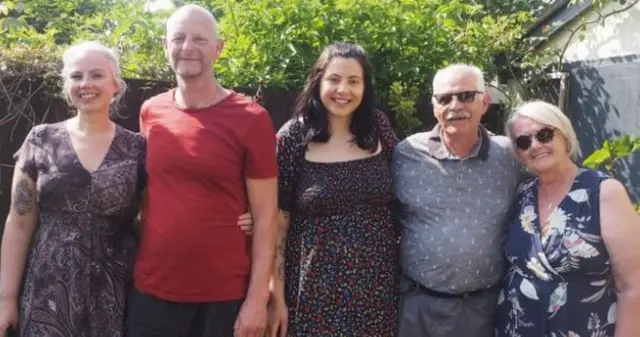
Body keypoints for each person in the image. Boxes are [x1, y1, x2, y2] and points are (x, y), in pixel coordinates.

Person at [125, 4, 278, 337]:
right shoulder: (151, 112)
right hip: (153, 291)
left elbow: (266, 217)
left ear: (218, 48)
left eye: (199, 39)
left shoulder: (251, 119)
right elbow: (149, 191)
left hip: (224, 297)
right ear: (165, 45)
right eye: (178, 38)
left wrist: (256, 299)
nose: (187, 48)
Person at [0, 41, 144, 337]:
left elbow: (156, 214)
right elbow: (19, 222)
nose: (86, 84)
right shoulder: (40, 140)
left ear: (116, 84)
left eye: (97, 75)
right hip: (48, 295)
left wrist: (240, 218)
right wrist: (6, 299)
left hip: (116, 295)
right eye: (76, 76)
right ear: (66, 85)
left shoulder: (138, 148)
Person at [268, 43, 399, 337]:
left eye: (354, 81)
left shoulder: (378, 128)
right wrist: (276, 296)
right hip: (312, 291)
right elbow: (278, 219)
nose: (343, 90)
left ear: (365, 88)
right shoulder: (293, 136)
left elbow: (409, 180)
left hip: (376, 290)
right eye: (334, 79)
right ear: (318, 82)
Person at [392, 64, 522, 337]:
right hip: (417, 306)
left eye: (466, 96)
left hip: (483, 308)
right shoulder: (406, 154)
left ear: (484, 102)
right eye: (445, 98)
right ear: (434, 105)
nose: (455, 105)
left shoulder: (510, 156)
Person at [494, 100, 640, 337]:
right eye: (524, 141)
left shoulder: (603, 192)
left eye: (544, 135)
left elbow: (634, 285)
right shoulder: (523, 192)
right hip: (517, 328)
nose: (535, 145)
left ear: (564, 136)